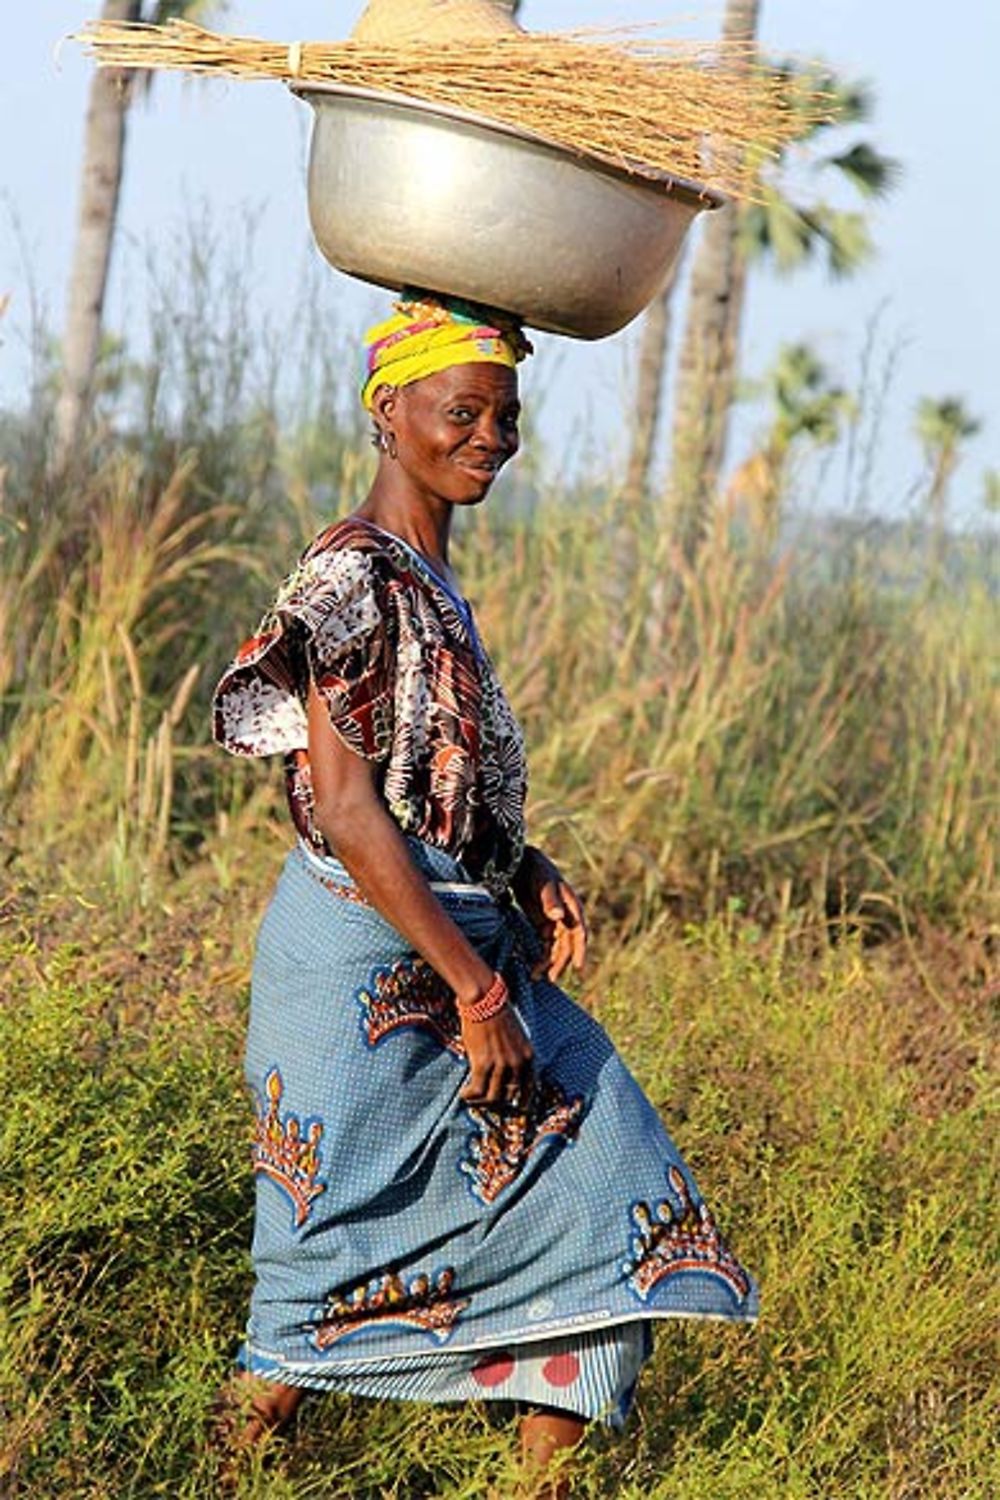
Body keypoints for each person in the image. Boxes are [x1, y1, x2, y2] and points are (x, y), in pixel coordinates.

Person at [212, 294, 758, 1495]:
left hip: (456, 941)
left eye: (505, 418)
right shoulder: (351, 573)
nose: (489, 440)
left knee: (606, 1182)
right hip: (361, 967)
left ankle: (538, 1485)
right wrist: (472, 990)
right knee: (325, 1261)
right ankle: (221, 1471)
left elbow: (427, 776)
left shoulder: (426, 576)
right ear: (387, 411)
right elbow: (350, 811)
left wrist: (518, 865)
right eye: (462, 414)